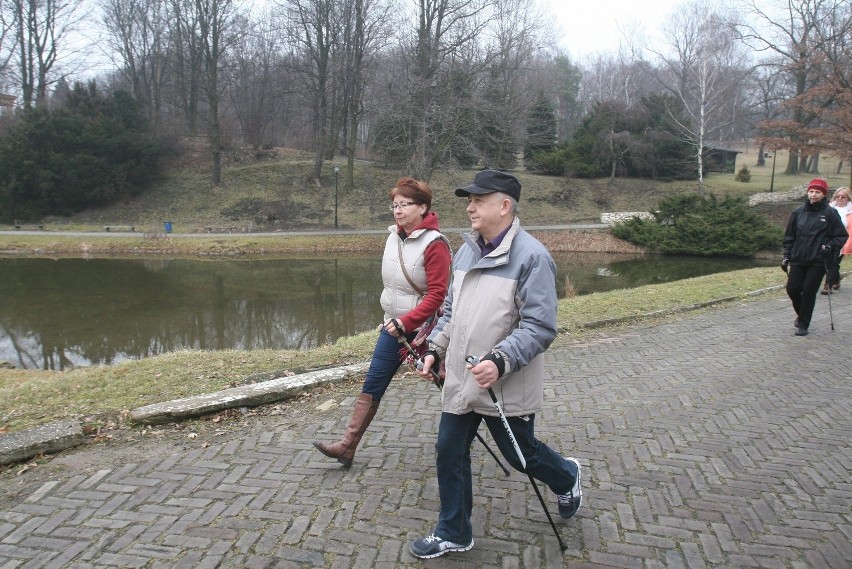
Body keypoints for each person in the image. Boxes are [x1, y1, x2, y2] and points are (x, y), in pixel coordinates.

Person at [410, 169, 581, 559]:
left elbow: (540, 327)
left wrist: (501, 360)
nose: (470, 207)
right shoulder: (468, 249)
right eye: (469, 200)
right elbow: (452, 310)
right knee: (448, 450)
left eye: (478, 200)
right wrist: (436, 348)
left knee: (522, 458)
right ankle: (454, 530)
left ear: (504, 206)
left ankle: (567, 475)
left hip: (504, 382)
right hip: (463, 379)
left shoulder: (533, 257)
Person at [313, 177, 451, 467]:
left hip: (426, 329)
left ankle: (460, 441)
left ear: (423, 207)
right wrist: (396, 320)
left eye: (404, 205)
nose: (397, 211)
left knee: (447, 385)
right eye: (394, 205)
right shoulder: (393, 237)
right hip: (393, 327)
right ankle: (347, 446)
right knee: (373, 382)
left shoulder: (435, 244)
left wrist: (408, 320)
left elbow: (438, 295)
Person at [782, 178, 847, 336]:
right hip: (798, 257)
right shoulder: (798, 212)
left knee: (808, 290)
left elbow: (840, 236)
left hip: (819, 259)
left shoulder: (830, 213)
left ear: (823, 195)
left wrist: (830, 246)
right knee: (793, 289)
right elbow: (790, 236)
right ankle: (802, 315)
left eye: (817, 192)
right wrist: (786, 255)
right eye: (811, 191)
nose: (813, 195)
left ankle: (803, 324)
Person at [826, 186, 852, 292]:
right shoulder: (828, 208)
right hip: (828, 239)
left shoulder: (850, 210)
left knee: (834, 262)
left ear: (848, 198)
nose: (840, 199)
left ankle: (828, 285)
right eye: (838, 196)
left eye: (843, 197)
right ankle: (836, 278)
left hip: (843, 240)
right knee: (828, 262)